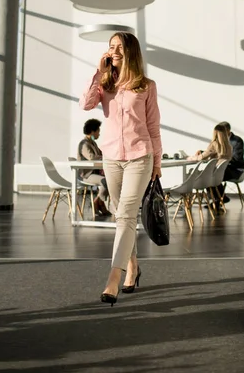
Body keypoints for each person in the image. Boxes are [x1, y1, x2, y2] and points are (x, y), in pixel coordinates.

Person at [79, 31, 162, 306]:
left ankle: (113, 278)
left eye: (118, 46)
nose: (113, 50)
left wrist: (157, 163)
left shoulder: (146, 85)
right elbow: (85, 104)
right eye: (110, 46)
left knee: (126, 214)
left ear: (130, 51)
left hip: (140, 156)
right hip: (111, 158)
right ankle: (134, 266)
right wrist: (97, 72)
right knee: (119, 215)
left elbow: (153, 128)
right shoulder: (105, 85)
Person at [77, 119, 110, 216]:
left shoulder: (93, 143)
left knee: (112, 179)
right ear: (92, 131)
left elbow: (101, 154)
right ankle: (98, 203)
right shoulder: (84, 144)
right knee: (106, 181)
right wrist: (104, 157)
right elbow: (91, 157)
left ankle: (98, 202)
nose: (99, 134)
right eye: (98, 131)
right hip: (86, 175)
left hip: (94, 173)